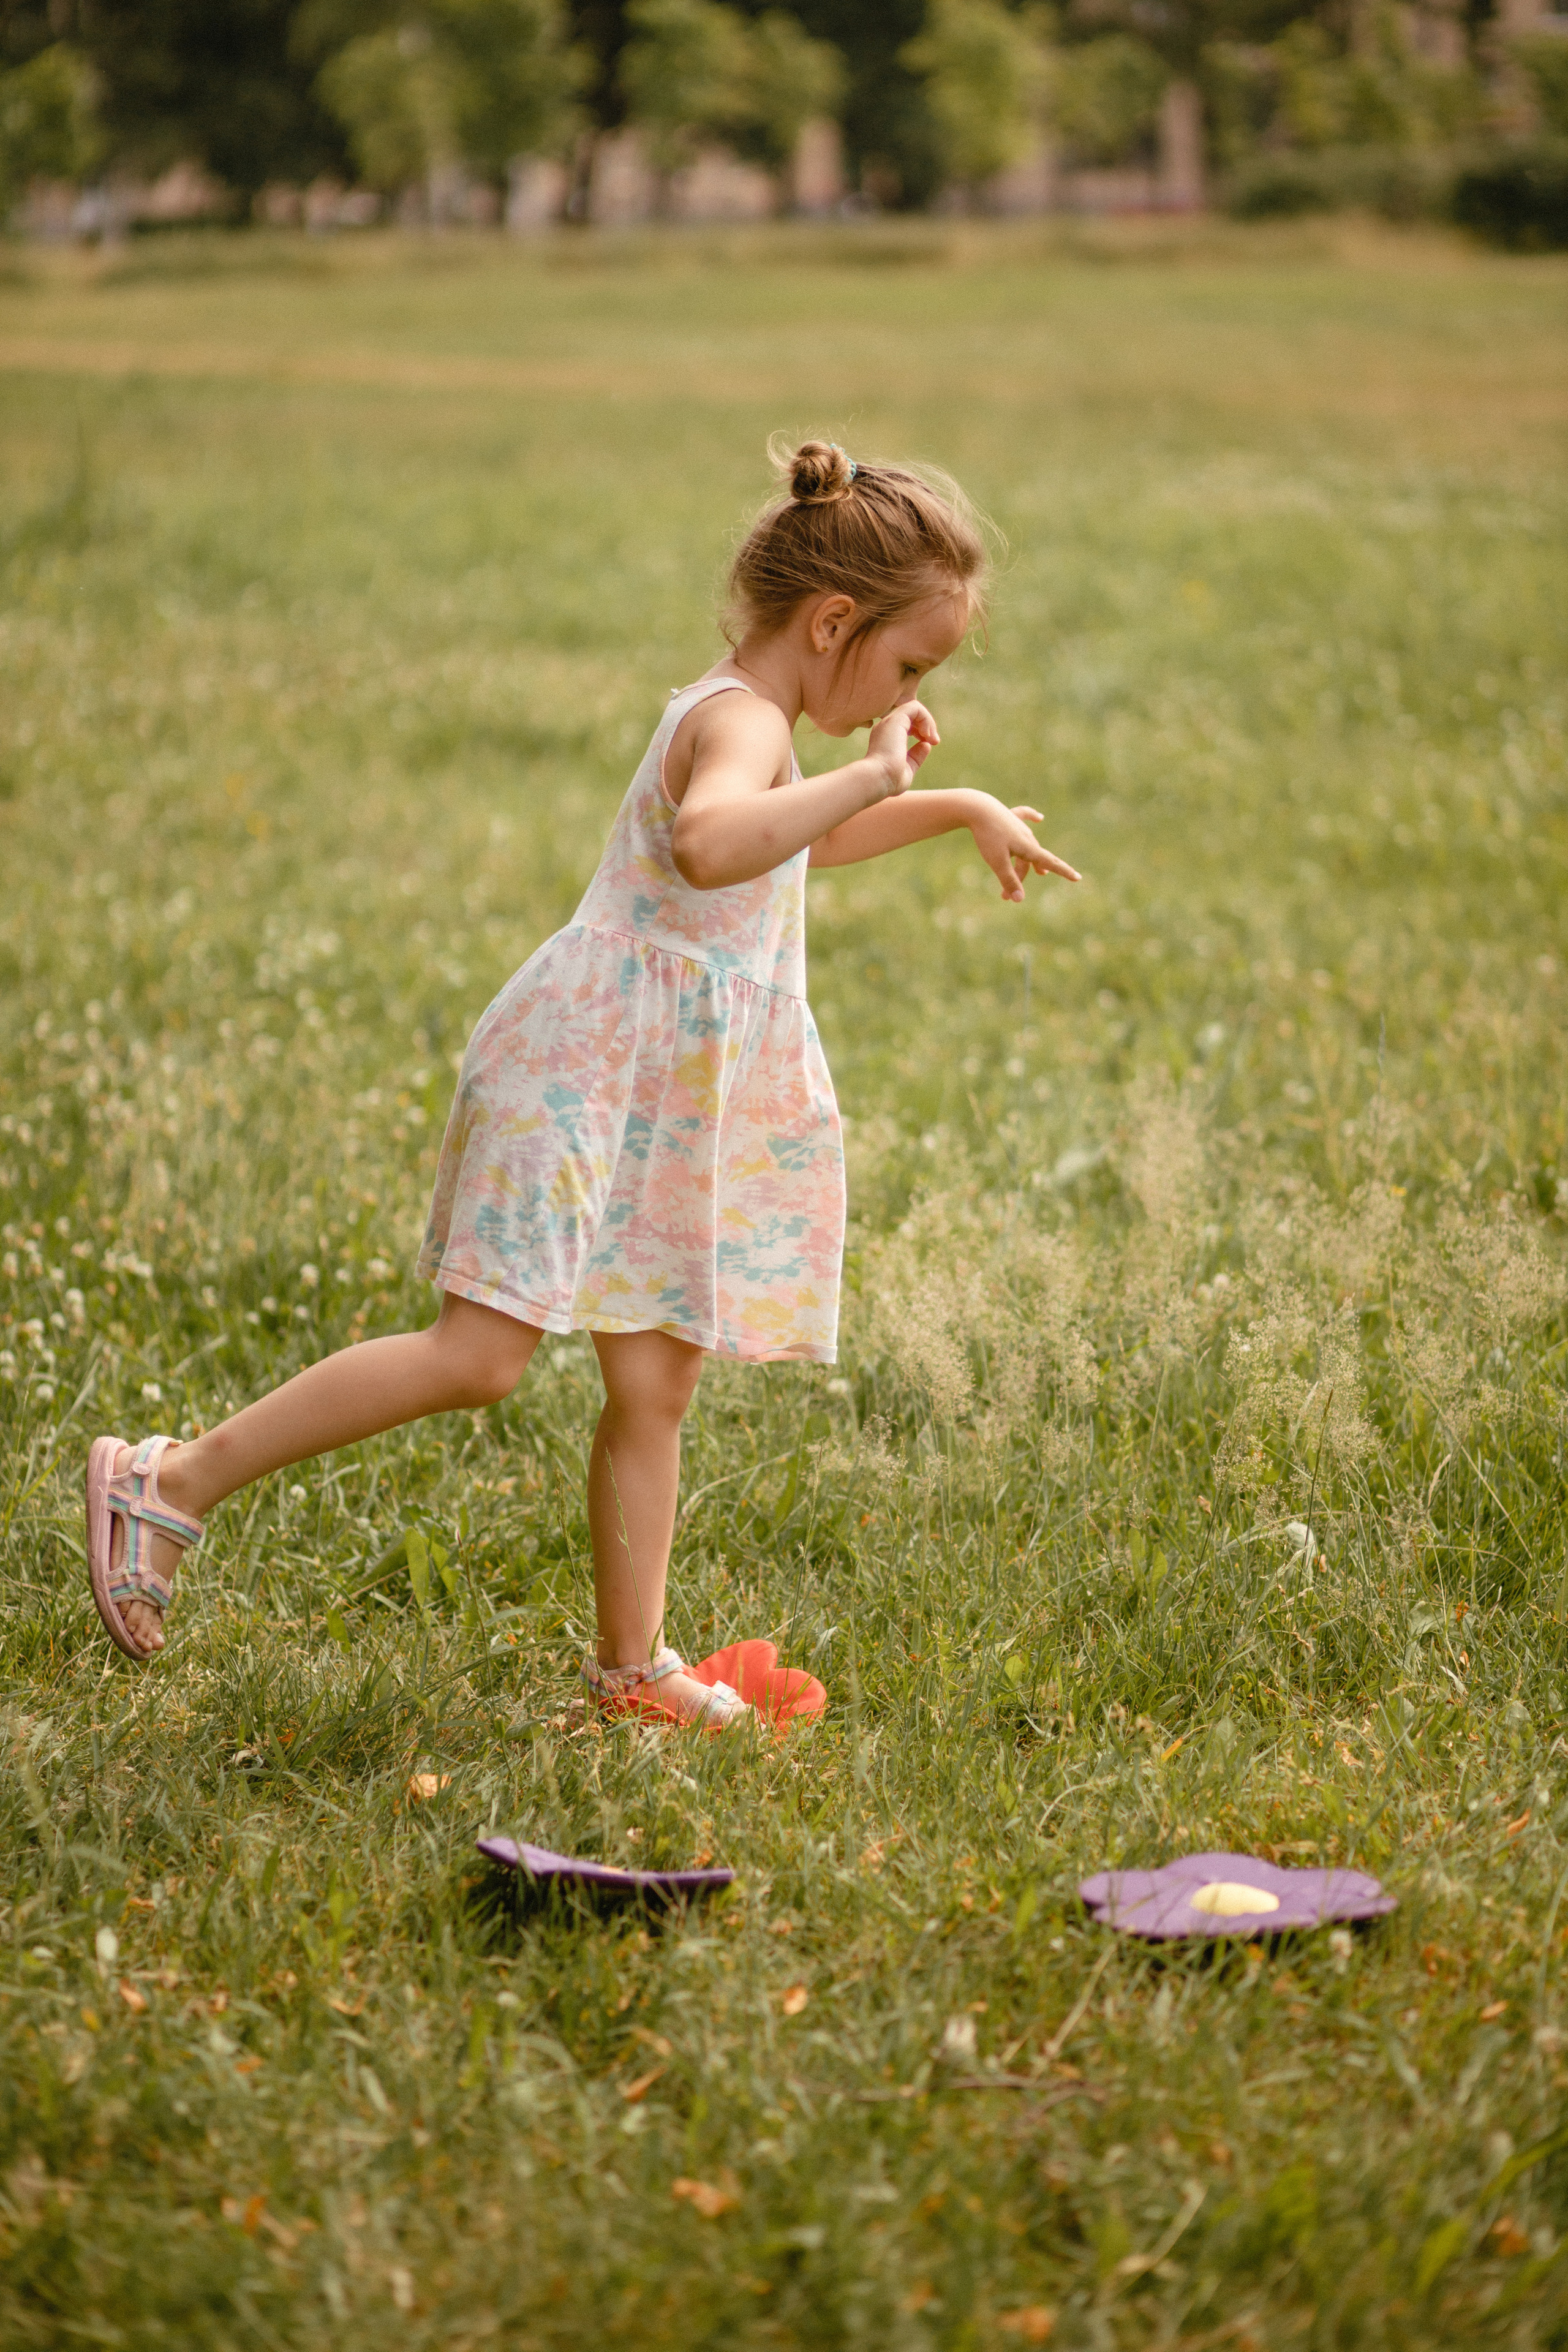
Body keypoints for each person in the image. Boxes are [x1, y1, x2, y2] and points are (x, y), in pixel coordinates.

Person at [84, 439, 1080, 1727]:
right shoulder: (736, 718)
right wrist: (877, 767)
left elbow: (805, 839)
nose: (902, 695)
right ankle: (170, 1480)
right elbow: (717, 841)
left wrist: (949, 805)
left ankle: (629, 1671)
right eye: (904, 667)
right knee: (480, 1355)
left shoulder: (778, 736)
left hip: (660, 1098)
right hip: (585, 1073)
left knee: (656, 1382)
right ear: (832, 621)